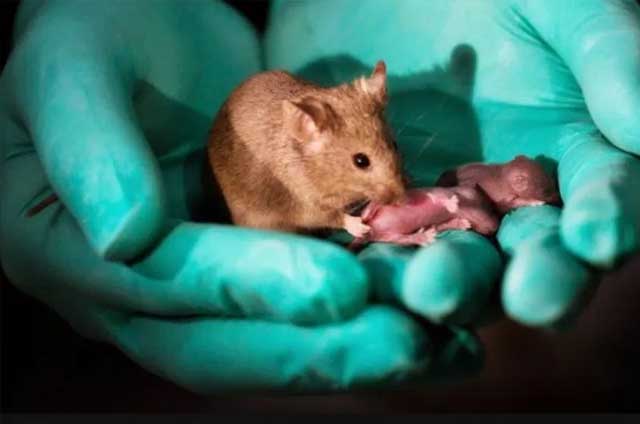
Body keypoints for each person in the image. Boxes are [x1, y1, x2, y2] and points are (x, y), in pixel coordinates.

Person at [1, 0, 639, 394]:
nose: (392, 179)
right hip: (263, 206)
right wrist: (345, 216)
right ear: (308, 130)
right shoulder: (300, 149)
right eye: (363, 162)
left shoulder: (358, 115)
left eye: (386, 152)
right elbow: (314, 200)